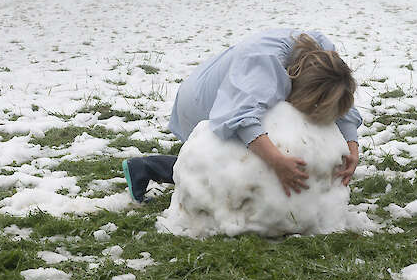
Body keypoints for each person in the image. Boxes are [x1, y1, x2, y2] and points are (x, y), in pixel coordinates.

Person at [122, 28, 362, 202]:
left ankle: (148, 167)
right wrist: (277, 162)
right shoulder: (264, 66)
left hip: (233, 87)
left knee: (250, 158)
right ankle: (145, 168)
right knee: (229, 166)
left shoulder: (324, 58)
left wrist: (352, 147)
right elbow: (240, 119)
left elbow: (335, 95)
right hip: (201, 101)